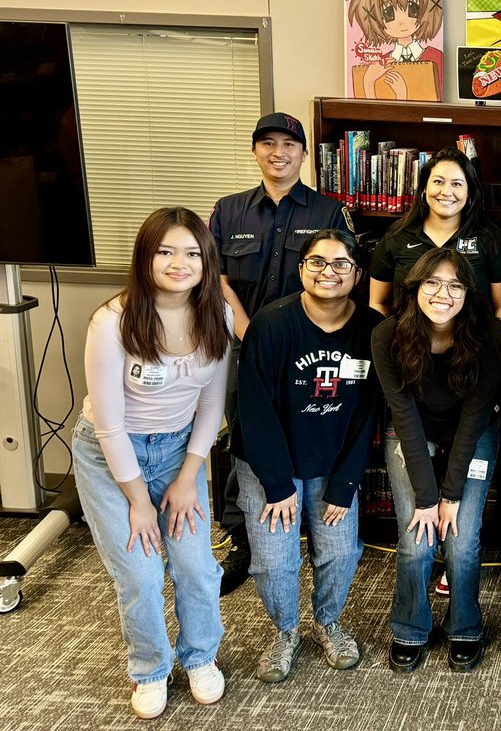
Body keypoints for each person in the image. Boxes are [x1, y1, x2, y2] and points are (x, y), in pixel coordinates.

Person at [73, 207, 232, 719]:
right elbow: (109, 426)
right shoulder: (112, 321)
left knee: (196, 565)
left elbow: (212, 403)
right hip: (111, 456)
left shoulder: (218, 315)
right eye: (165, 251)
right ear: (145, 257)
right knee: (140, 573)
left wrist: (189, 476)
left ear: (206, 261)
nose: (178, 263)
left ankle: (201, 657)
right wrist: (139, 501)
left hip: (180, 449)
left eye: (191, 253)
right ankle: (149, 668)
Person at [209, 111, 353, 596]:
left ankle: (307, 534)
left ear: (303, 154)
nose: (278, 153)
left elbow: (337, 278)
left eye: (289, 145)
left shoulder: (328, 213)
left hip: (306, 347)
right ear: (255, 151)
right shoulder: (228, 211)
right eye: (268, 143)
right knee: (245, 434)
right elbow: (216, 279)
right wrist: (249, 332)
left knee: (307, 424)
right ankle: (244, 539)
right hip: (240, 341)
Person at [232, 229, 382, 685]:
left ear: (357, 274)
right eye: (316, 262)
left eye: (340, 264)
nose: (328, 272)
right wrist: (278, 484)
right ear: (301, 270)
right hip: (268, 464)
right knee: (274, 560)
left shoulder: (374, 330)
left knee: (340, 552)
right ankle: (285, 631)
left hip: (334, 463)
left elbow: (368, 417)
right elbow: (254, 412)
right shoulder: (270, 324)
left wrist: (346, 484)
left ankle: (327, 622)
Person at [372, 249, 501, 675]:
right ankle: (410, 626)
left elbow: (474, 417)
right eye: (432, 283)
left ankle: (465, 624)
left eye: (454, 285)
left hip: (473, 430)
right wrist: (428, 499)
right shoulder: (388, 335)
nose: (442, 294)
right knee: (417, 538)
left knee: (461, 541)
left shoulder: (489, 335)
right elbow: (404, 416)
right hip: (414, 432)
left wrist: (451, 495)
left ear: (468, 293)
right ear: (414, 287)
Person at [368, 146, 501, 329]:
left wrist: (495, 350)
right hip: (406, 347)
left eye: (457, 184)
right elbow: (379, 303)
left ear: (469, 194)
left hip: (473, 348)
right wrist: (384, 345)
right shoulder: (396, 237)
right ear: (424, 189)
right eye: (438, 182)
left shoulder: (489, 238)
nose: (446, 192)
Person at [345, 0, 445, 100]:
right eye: (388, 13)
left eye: (412, 8)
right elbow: (371, 113)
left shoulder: (437, 58)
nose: (401, 21)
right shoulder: (380, 65)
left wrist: (403, 96)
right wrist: (368, 82)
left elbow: (434, 106)